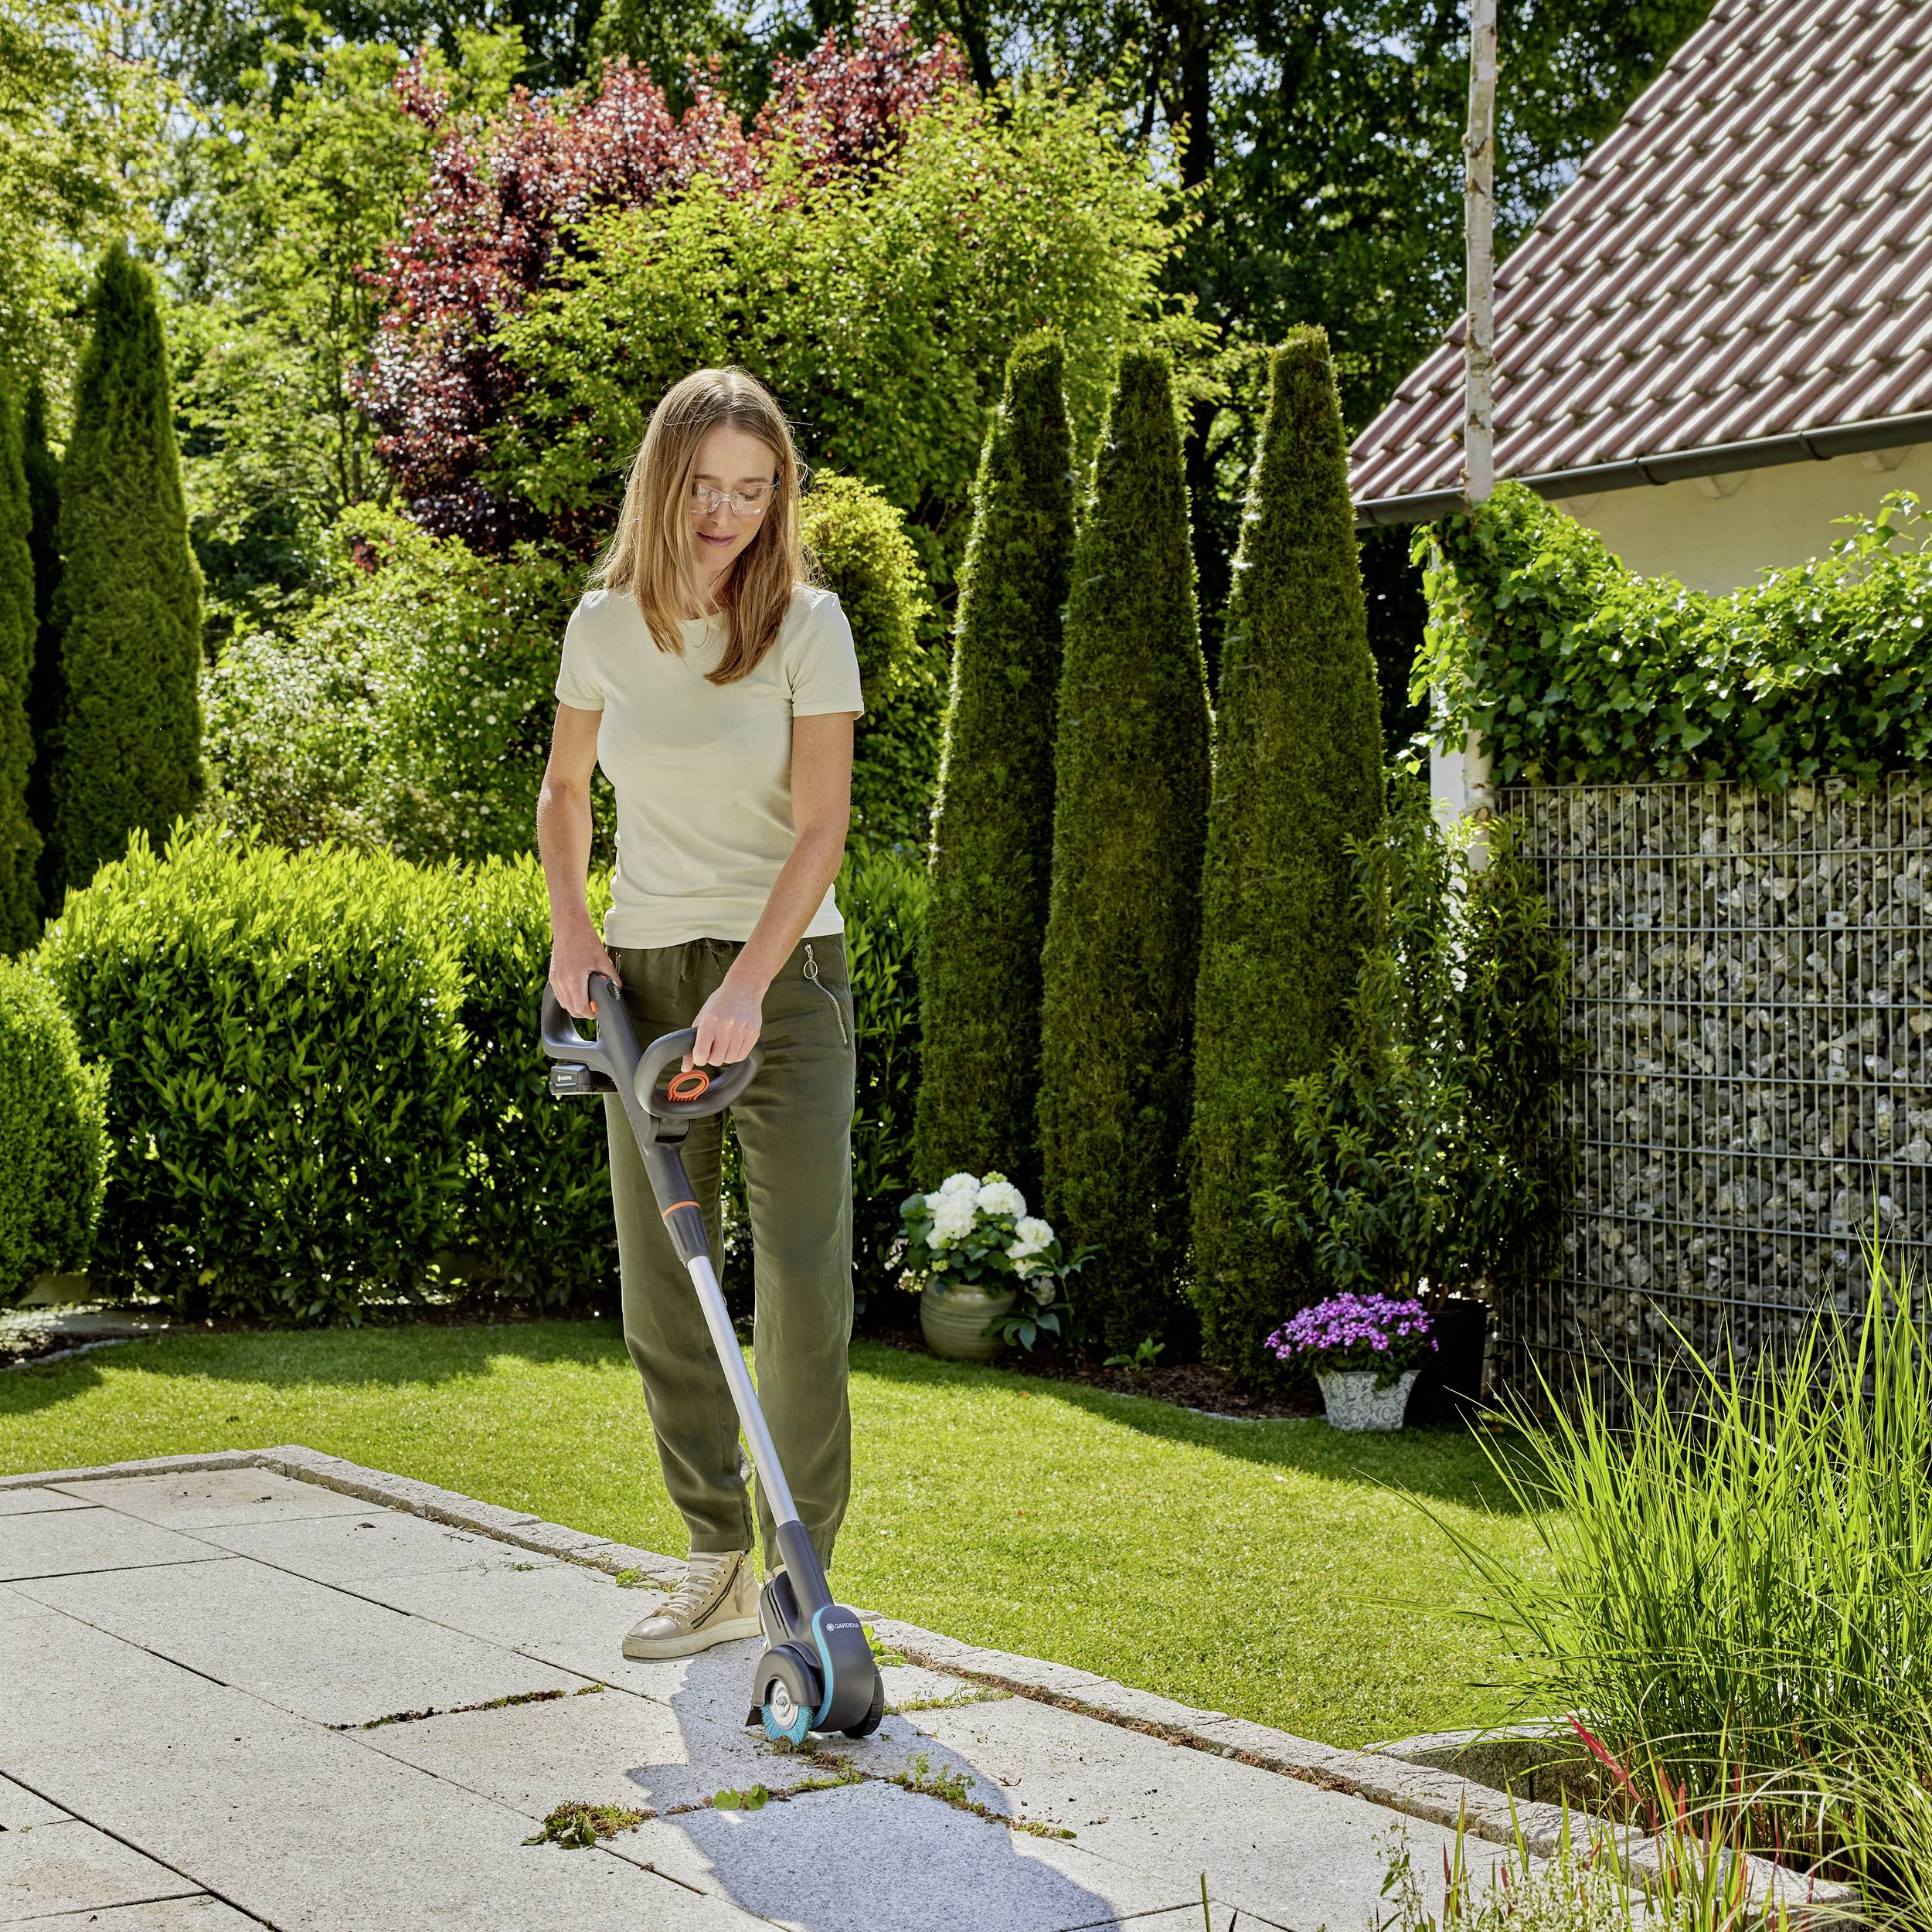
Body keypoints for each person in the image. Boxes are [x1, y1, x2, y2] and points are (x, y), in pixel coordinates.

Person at [536, 366, 862, 1660]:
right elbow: (566, 791)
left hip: (785, 982)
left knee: (795, 1279)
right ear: (665, 483)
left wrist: (746, 988)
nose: (728, 511)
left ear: (778, 494)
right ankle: (715, 1553)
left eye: (755, 487)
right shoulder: (604, 623)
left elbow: (824, 826)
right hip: (640, 975)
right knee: (664, 1289)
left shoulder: (807, 626)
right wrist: (575, 930)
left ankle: (801, 1573)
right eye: (706, 487)